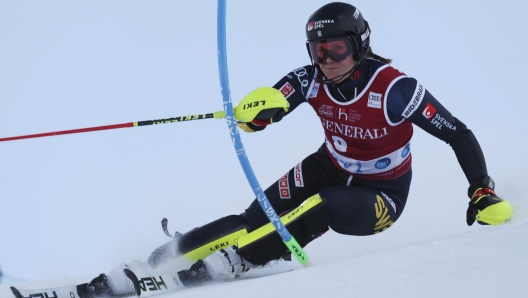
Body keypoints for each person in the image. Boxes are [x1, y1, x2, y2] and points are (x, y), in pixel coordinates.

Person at [81, 2, 512, 296]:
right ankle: (157, 261)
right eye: (318, 50)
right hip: (327, 166)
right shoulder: (310, 78)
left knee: (321, 205)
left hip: (380, 196)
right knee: (250, 217)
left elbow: (458, 133)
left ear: (359, 44)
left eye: (337, 48)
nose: (327, 60)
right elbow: (274, 101)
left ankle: (237, 262)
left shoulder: (396, 89)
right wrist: (257, 114)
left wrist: (481, 189)